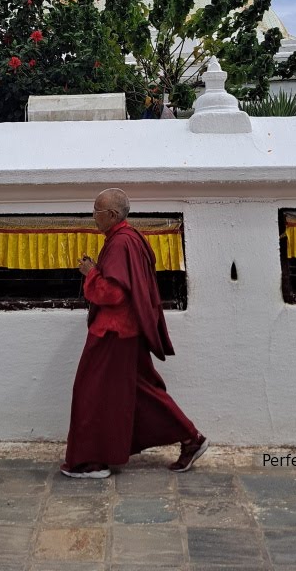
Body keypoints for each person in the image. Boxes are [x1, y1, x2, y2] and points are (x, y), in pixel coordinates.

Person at [62, 188, 208, 479]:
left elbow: (114, 294)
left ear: (112, 215)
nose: (93, 217)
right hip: (130, 331)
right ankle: (192, 438)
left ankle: (92, 461)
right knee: (142, 392)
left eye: (97, 211)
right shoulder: (131, 238)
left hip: (114, 333)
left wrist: (90, 273)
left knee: (90, 393)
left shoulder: (120, 244)